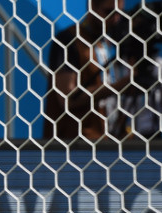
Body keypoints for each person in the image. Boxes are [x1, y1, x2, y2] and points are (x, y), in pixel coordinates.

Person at [43, 0, 130, 142]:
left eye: (119, 14)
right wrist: (119, 86)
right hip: (73, 145)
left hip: (106, 141)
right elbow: (68, 99)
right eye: (109, 12)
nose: (115, 19)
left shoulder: (108, 42)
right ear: (92, 7)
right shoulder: (68, 40)